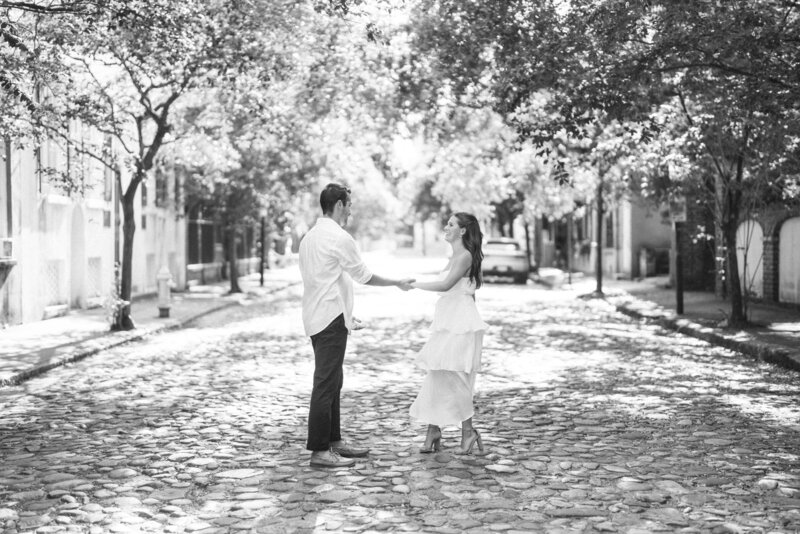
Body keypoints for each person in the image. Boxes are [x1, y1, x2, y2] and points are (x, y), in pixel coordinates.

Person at [299, 183, 414, 468]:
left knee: (333, 381)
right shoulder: (339, 238)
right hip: (329, 320)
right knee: (325, 384)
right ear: (338, 205)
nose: (351, 211)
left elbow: (327, 281)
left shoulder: (309, 238)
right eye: (349, 205)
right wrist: (397, 282)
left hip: (318, 317)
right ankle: (320, 451)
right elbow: (362, 276)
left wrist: (347, 315)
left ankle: (334, 441)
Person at [408, 212, 488, 455]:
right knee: (438, 373)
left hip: (460, 324)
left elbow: (445, 285)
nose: (446, 226)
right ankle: (433, 430)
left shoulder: (464, 256)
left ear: (463, 231)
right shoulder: (455, 256)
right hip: (448, 322)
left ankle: (468, 432)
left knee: (457, 377)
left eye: (451, 224)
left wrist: (413, 284)